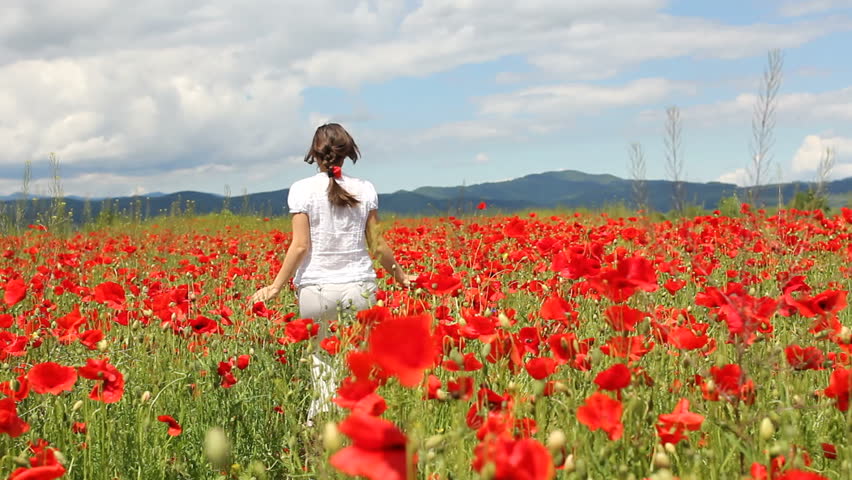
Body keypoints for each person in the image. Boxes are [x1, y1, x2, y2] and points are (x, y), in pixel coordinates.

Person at [249, 123, 414, 424]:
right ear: (348, 152)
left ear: (315, 153)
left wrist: (274, 287)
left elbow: (300, 246)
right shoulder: (365, 188)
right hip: (359, 289)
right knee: (355, 364)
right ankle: (357, 429)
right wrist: (401, 277)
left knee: (321, 365)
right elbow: (376, 244)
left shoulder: (301, 190)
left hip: (316, 289)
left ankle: (320, 433)